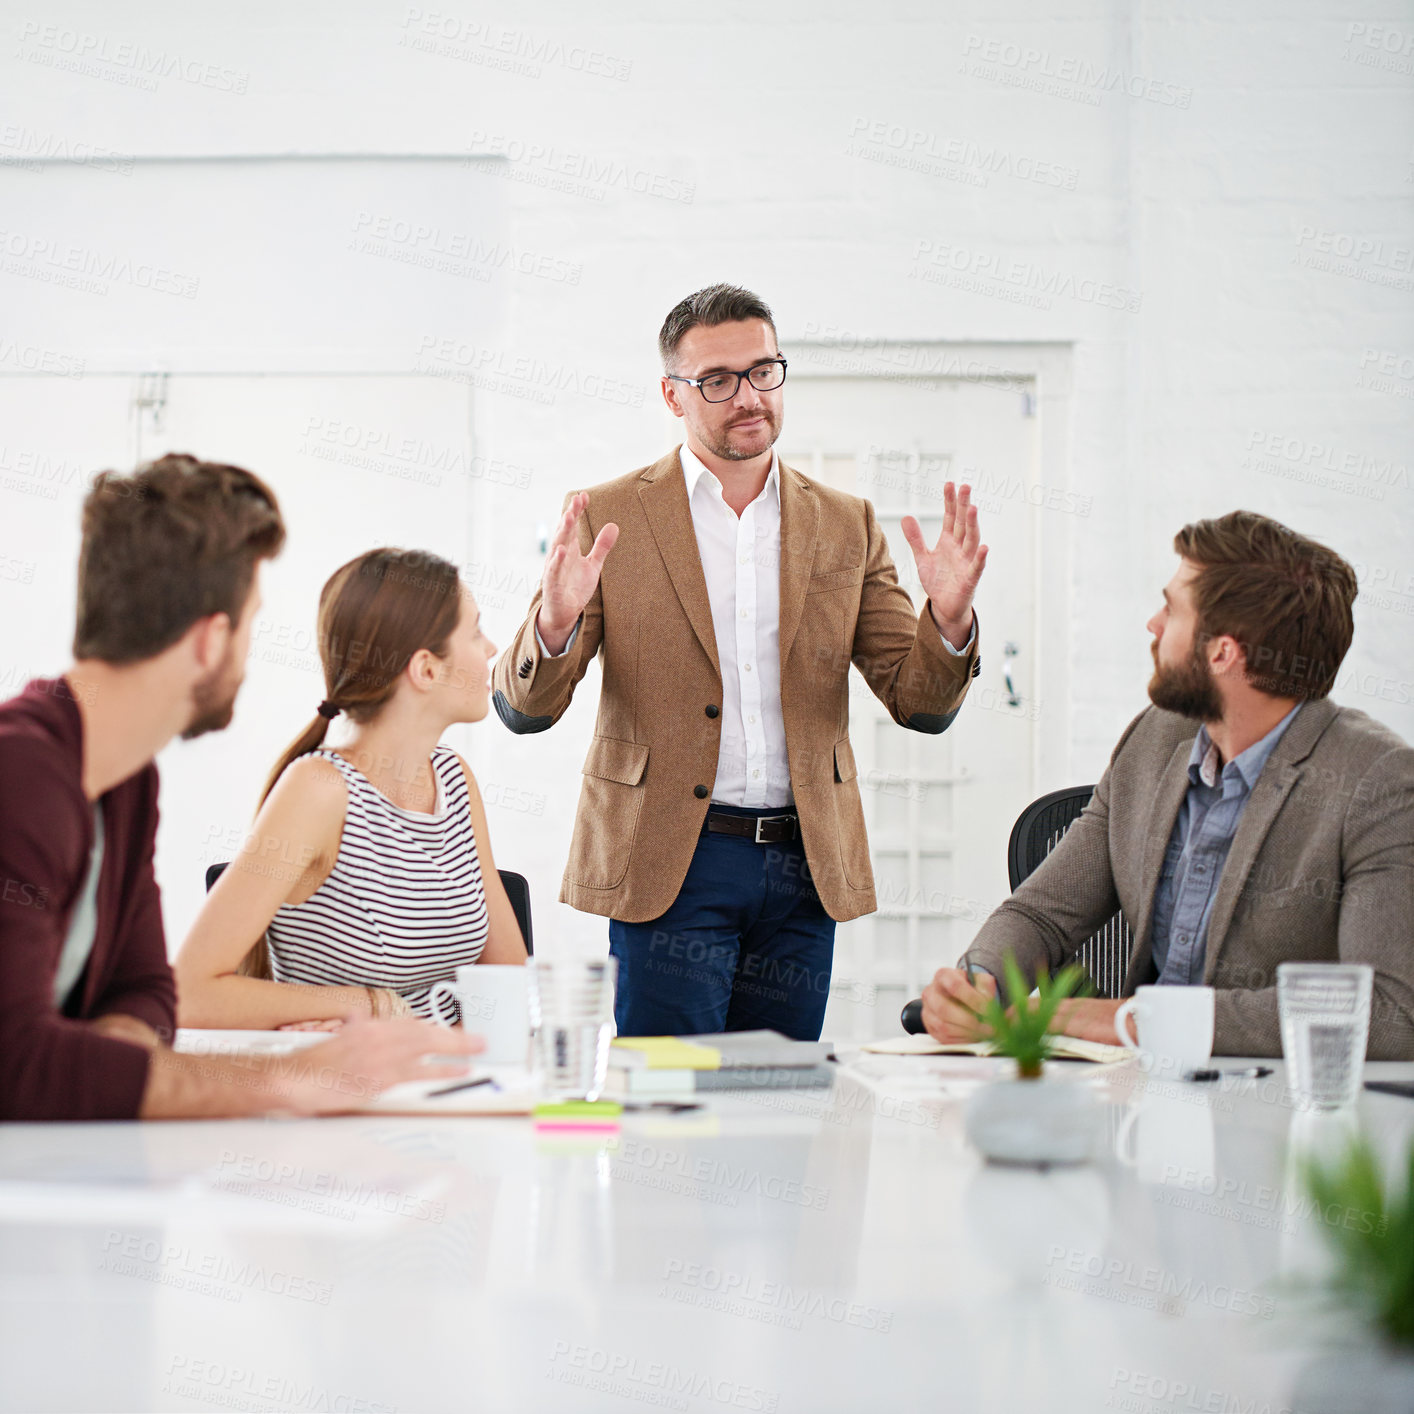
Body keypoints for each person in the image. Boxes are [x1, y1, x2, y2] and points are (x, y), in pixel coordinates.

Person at [493, 284, 988, 1040]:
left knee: (783, 1113)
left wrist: (948, 620)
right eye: (717, 381)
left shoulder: (845, 523)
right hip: (669, 860)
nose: (747, 397)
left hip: (801, 867)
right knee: (667, 1113)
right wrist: (554, 624)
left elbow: (919, 701)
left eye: (764, 371)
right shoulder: (607, 515)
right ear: (672, 394)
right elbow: (525, 711)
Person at [0, 455, 477, 1122]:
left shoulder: (127, 782)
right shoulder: (20, 778)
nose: (252, 653)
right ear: (210, 640)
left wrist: (115, 1055)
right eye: (251, 621)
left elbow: (144, 994)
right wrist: (281, 1081)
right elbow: (17, 1063)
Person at [922, 510, 1414, 1059]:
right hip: (1127, 1102)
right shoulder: (1155, 741)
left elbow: (1391, 1013)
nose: (1153, 624)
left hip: (1267, 1116)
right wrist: (978, 981)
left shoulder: (1379, 784)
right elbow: (1044, 912)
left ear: (1222, 651)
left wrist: (1137, 1020)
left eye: (1171, 608)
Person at [176, 548, 528, 1031]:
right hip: (349, 1088)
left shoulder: (454, 780)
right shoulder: (319, 790)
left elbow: (507, 984)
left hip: (451, 1083)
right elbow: (190, 994)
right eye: (474, 631)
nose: (491, 648)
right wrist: (368, 1005)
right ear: (425, 669)